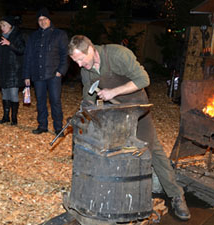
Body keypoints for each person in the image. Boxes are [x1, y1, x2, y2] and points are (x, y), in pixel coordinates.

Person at [68, 35, 191, 221]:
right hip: (114, 112)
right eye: (75, 61)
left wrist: (113, 92)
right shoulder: (86, 70)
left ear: (91, 49)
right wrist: (85, 109)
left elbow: (144, 79)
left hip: (137, 108)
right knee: (111, 151)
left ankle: (176, 195)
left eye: (80, 59)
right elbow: (88, 94)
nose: (78, 65)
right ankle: (115, 191)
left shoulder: (118, 55)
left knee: (152, 150)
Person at [23, 8, 68, 135]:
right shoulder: (33, 36)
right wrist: (26, 75)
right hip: (38, 74)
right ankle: (42, 125)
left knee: (55, 101)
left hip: (54, 74)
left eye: (45, 19)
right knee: (40, 101)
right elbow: (28, 56)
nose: (42, 22)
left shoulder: (59, 34)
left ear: (49, 20)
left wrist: (61, 71)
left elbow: (65, 54)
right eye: (40, 20)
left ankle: (58, 127)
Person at [0, 16, 25, 125]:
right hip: (4, 70)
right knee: (5, 94)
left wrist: (10, 44)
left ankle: (14, 118)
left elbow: (22, 50)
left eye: (4, 26)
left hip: (14, 70)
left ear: (10, 26)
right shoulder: (1, 38)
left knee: (13, 94)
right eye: (1, 26)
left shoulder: (17, 36)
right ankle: (5, 116)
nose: (2, 28)